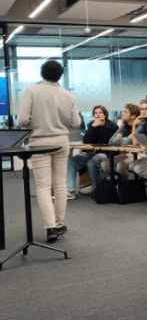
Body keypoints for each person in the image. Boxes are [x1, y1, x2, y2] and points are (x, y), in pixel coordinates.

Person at [17, 60, 81, 242]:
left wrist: (37, 122)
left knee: (43, 186)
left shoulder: (32, 91)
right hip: (62, 141)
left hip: (39, 141)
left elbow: (22, 120)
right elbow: (76, 123)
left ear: (42, 73)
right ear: (60, 75)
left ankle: (50, 227)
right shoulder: (68, 95)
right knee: (60, 184)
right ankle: (60, 224)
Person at [67, 105, 118, 198]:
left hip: (106, 154)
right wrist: (93, 127)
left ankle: (97, 189)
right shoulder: (92, 125)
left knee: (92, 161)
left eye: (100, 113)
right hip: (90, 153)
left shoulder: (112, 126)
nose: (98, 115)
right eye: (95, 113)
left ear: (105, 115)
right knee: (71, 162)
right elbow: (86, 140)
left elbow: (111, 144)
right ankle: (70, 190)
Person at [103, 104, 140, 175]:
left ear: (133, 116)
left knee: (121, 165)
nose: (122, 113)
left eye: (125, 112)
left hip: (140, 154)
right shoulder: (124, 124)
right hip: (130, 154)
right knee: (105, 164)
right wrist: (126, 138)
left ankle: (125, 185)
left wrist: (121, 138)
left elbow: (131, 142)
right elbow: (111, 141)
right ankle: (114, 184)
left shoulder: (139, 125)